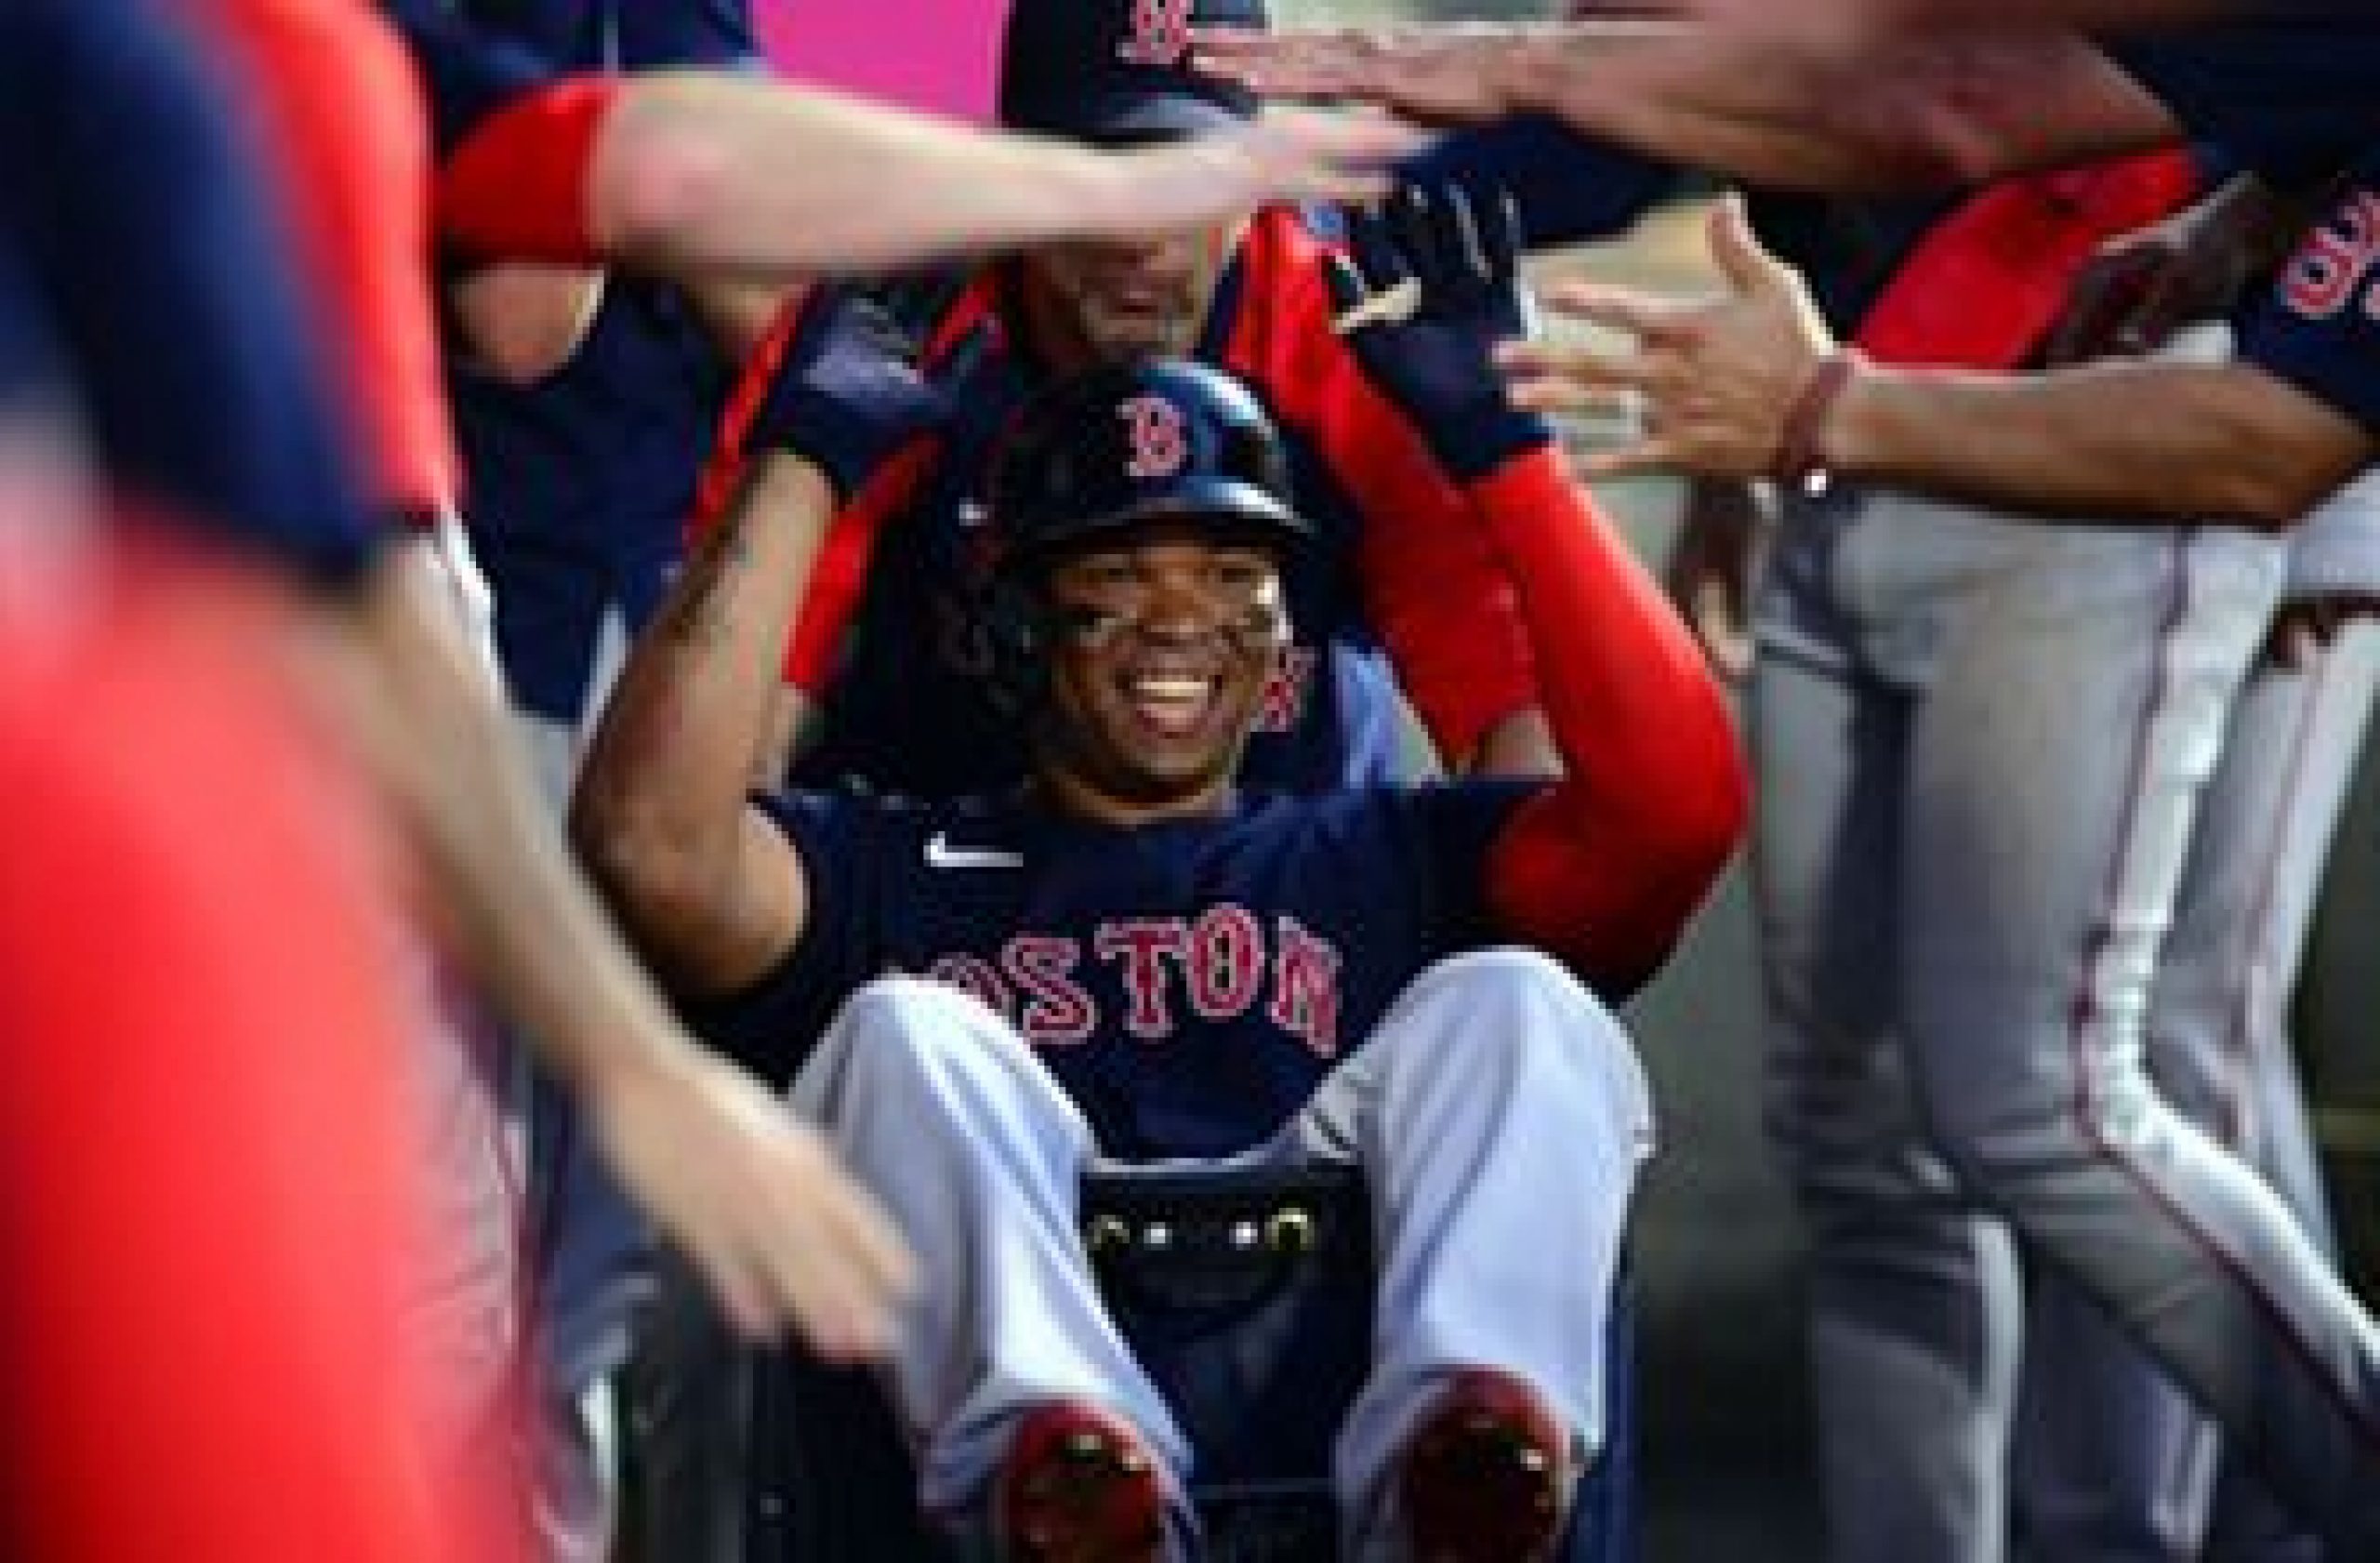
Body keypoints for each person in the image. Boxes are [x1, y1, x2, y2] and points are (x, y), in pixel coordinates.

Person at [574, 329, 1745, 1560]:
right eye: (1123, 571)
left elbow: (1676, 821)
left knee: (1527, 1008)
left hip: (1351, 1422)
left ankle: (1467, 1456)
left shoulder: (1390, 853)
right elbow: (649, 847)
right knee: (897, 1030)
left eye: (1233, 571)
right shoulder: (888, 866)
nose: (1183, 617)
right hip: (1005, 1438)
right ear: (1017, 627)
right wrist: (801, 457)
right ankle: (1065, 1472)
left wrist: (1514, 465)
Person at [1487, 148, 2380, 1552]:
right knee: (1858, 1130)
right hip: (1848, 440)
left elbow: (1965, 88)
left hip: (2114, 443)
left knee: (2078, 1094)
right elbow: (1786, 102)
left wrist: (2337, 498)